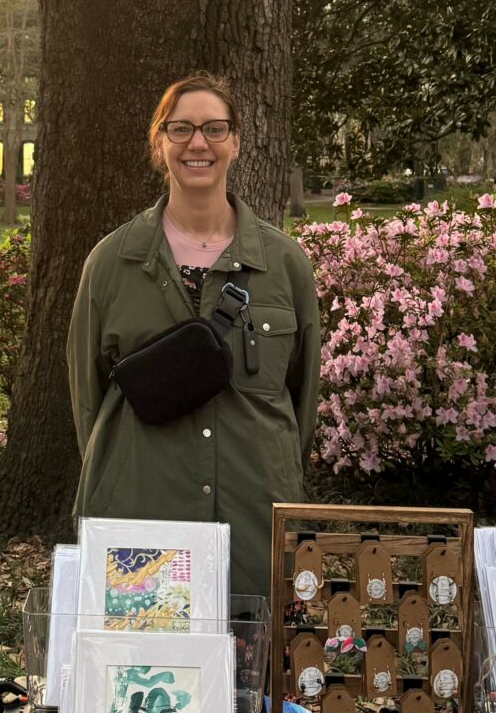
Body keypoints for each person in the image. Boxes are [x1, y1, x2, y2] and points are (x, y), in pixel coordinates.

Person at [67, 71, 321, 600]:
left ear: (236, 141)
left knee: (253, 670)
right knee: (151, 675)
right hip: (142, 516)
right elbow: (89, 404)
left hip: (255, 520)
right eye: (179, 129)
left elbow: (301, 399)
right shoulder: (111, 264)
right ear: (159, 143)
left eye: (214, 128)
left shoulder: (285, 265)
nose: (197, 143)